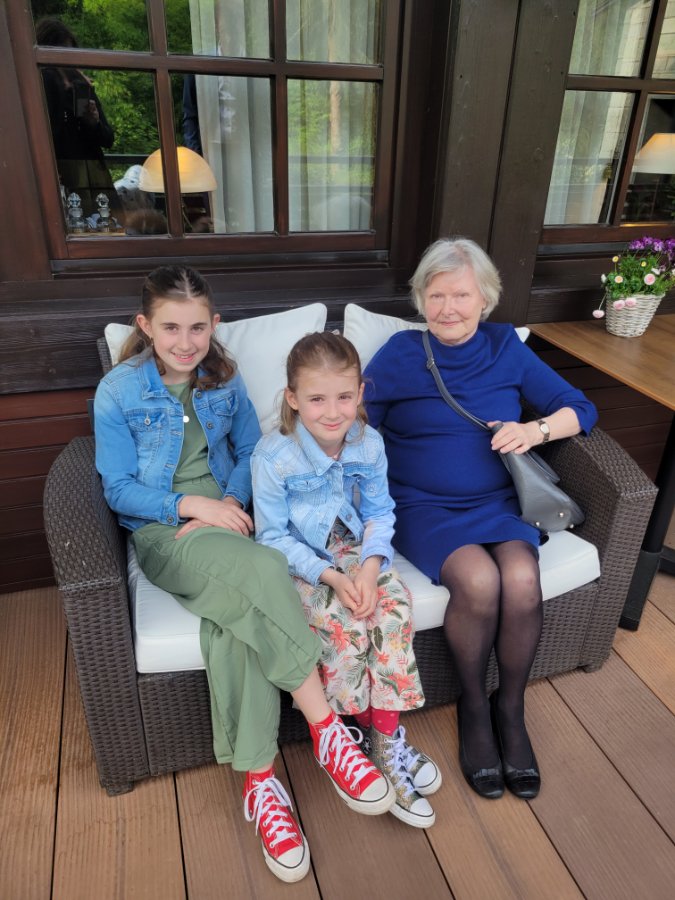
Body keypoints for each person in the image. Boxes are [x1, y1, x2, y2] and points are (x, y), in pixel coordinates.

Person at [93, 266, 395, 884]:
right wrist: (193, 507)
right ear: (145, 326)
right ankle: (327, 730)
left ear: (214, 325)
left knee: (234, 624)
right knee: (263, 568)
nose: (185, 342)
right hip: (167, 531)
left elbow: (247, 455)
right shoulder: (118, 391)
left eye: (197, 327)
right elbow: (117, 487)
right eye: (170, 328)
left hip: (233, 519)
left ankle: (260, 783)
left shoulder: (223, 379)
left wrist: (229, 502)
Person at [363, 238, 598, 801]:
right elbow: (353, 417)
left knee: (520, 576)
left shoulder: (505, 347)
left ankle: (509, 707)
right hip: (421, 504)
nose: (448, 308)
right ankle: (473, 705)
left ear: (485, 298)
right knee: (478, 579)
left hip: (498, 501)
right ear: (421, 299)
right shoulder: (401, 352)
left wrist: (535, 430)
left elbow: (581, 409)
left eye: (461, 295)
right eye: (436, 295)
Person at [252, 332, 442, 829]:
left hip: (358, 551)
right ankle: (364, 739)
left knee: (392, 612)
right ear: (293, 398)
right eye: (317, 399)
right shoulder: (273, 456)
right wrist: (334, 578)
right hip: (304, 562)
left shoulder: (367, 442)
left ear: (360, 392)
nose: (333, 412)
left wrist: (371, 568)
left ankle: (385, 742)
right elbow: (272, 537)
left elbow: (379, 511)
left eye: (344, 397)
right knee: (343, 625)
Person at [36, 17, 118, 219]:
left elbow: (107, 138)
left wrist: (93, 123)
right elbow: (48, 135)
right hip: (62, 179)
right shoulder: (42, 84)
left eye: (70, 55)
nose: (68, 65)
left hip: (91, 178)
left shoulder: (80, 85)